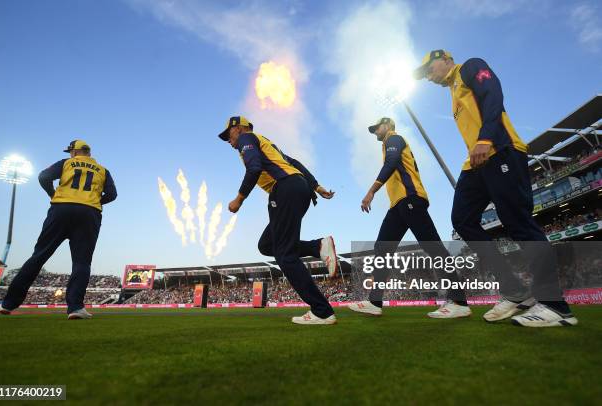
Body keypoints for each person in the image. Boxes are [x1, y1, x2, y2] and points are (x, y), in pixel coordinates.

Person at [414, 49, 577, 327]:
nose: (428, 77)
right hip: (476, 164)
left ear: (445, 59)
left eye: (429, 69)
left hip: (500, 150)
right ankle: (514, 291)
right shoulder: (453, 90)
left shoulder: (470, 67)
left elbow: (493, 95)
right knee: (462, 220)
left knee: (518, 223)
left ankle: (555, 306)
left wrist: (486, 139)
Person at [218, 116, 338, 325]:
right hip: (298, 188)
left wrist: (239, 199)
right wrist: (316, 186)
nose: (228, 140)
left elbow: (254, 169)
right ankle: (317, 246)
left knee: (285, 255)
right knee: (266, 245)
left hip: (284, 189)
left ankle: (322, 311)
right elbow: (295, 163)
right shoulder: (267, 145)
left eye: (228, 134)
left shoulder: (247, 138)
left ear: (239, 128)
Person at [349, 117, 470, 318]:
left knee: (433, 247)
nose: (375, 132)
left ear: (387, 125)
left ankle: (459, 302)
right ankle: (375, 302)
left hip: (410, 198)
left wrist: (371, 191)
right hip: (398, 204)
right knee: (382, 248)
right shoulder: (388, 142)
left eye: (377, 128)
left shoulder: (394, 139)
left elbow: (391, 163)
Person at [0, 140, 117, 320]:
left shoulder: (66, 163)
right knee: (82, 262)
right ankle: (75, 307)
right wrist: (95, 201)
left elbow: (43, 177)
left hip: (61, 209)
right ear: (88, 153)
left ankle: (7, 304)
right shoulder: (103, 170)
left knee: (39, 256)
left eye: (70, 152)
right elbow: (112, 195)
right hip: (89, 213)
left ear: (75, 152)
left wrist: (53, 194)